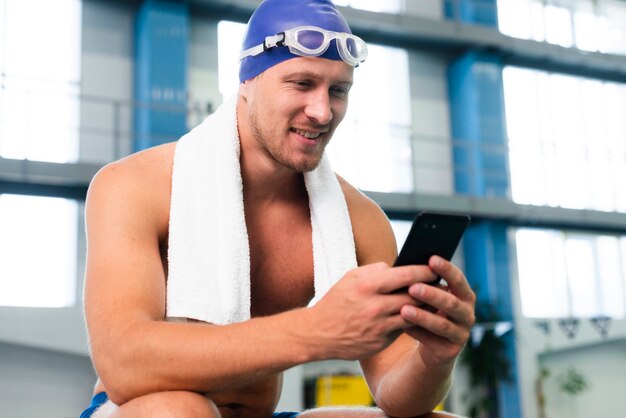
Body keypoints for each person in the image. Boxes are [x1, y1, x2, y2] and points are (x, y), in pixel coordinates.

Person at [80, 0, 475, 417]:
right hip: (137, 410)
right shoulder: (134, 186)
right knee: (178, 410)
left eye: (338, 90)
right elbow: (123, 365)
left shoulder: (358, 221)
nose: (322, 112)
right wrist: (316, 330)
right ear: (247, 80)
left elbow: (397, 396)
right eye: (302, 83)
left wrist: (436, 358)